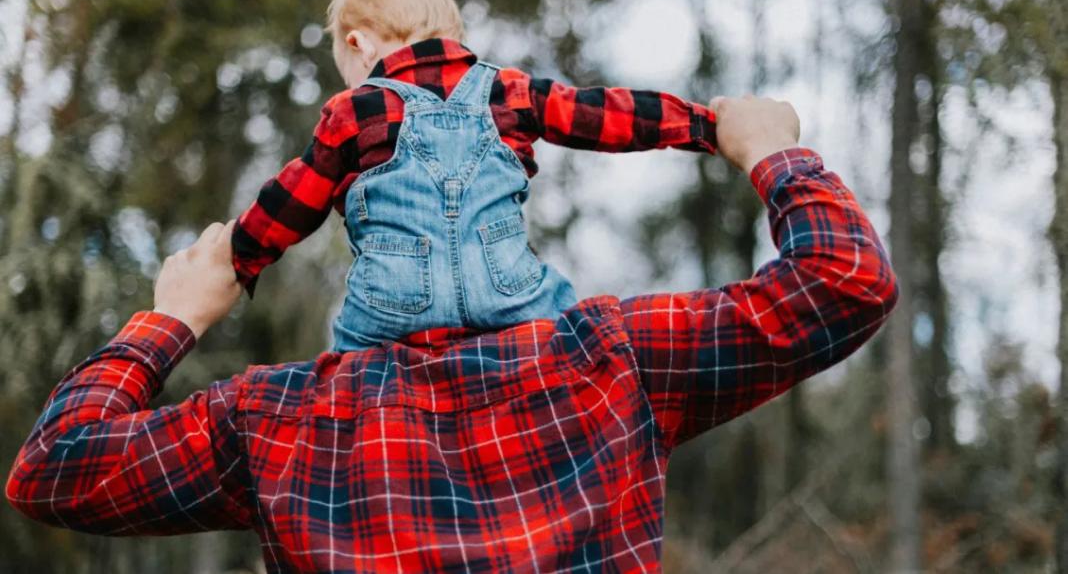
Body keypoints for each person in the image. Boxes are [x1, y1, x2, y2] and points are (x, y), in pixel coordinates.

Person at [6, 95, 898, 572]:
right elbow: (845, 282)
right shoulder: (613, 359)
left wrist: (171, 319)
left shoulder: (280, 420)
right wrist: (763, 149)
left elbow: (54, 468)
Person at [231, 0, 719, 351]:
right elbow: (603, 115)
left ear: (359, 45)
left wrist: (240, 255)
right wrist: (698, 124)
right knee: (582, 340)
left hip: (388, 314)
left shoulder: (353, 111)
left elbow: (292, 200)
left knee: (340, 382)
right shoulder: (507, 93)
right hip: (514, 301)